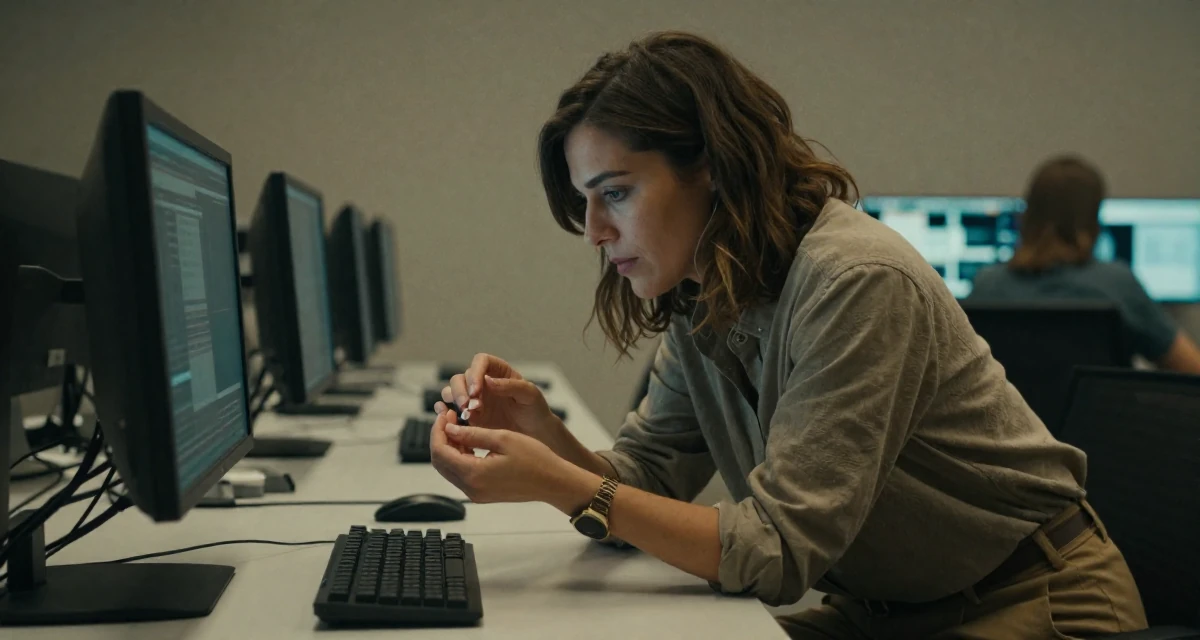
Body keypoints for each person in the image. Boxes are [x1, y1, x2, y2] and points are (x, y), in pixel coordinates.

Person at [427, 32, 1148, 638]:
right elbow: (644, 481)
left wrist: (556, 481)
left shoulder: (854, 280)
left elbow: (775, 552)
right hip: (891, 612)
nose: (594, 232)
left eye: (615, 192)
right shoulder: (706, 294)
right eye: (586, 202)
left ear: (710, 167)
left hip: (1033, 605)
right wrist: (542, 434)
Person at [970, 155, 1200, 374]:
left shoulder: (986, 285)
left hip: (1011, 417)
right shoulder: (1117, 284)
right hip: (1100, 415)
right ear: (1093, 222)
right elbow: (1191, 368)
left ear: (1028, 216)